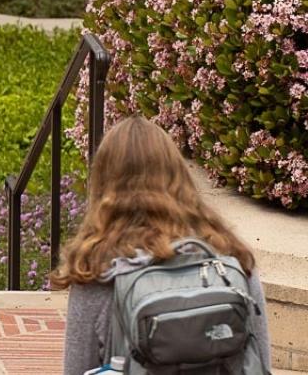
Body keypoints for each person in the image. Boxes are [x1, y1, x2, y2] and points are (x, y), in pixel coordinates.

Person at [56, 117, 271, 374]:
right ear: (178, 176)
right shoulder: (232, 261)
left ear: (103, 185)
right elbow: (260, 364)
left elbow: (77, 368)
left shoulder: (98, 273)